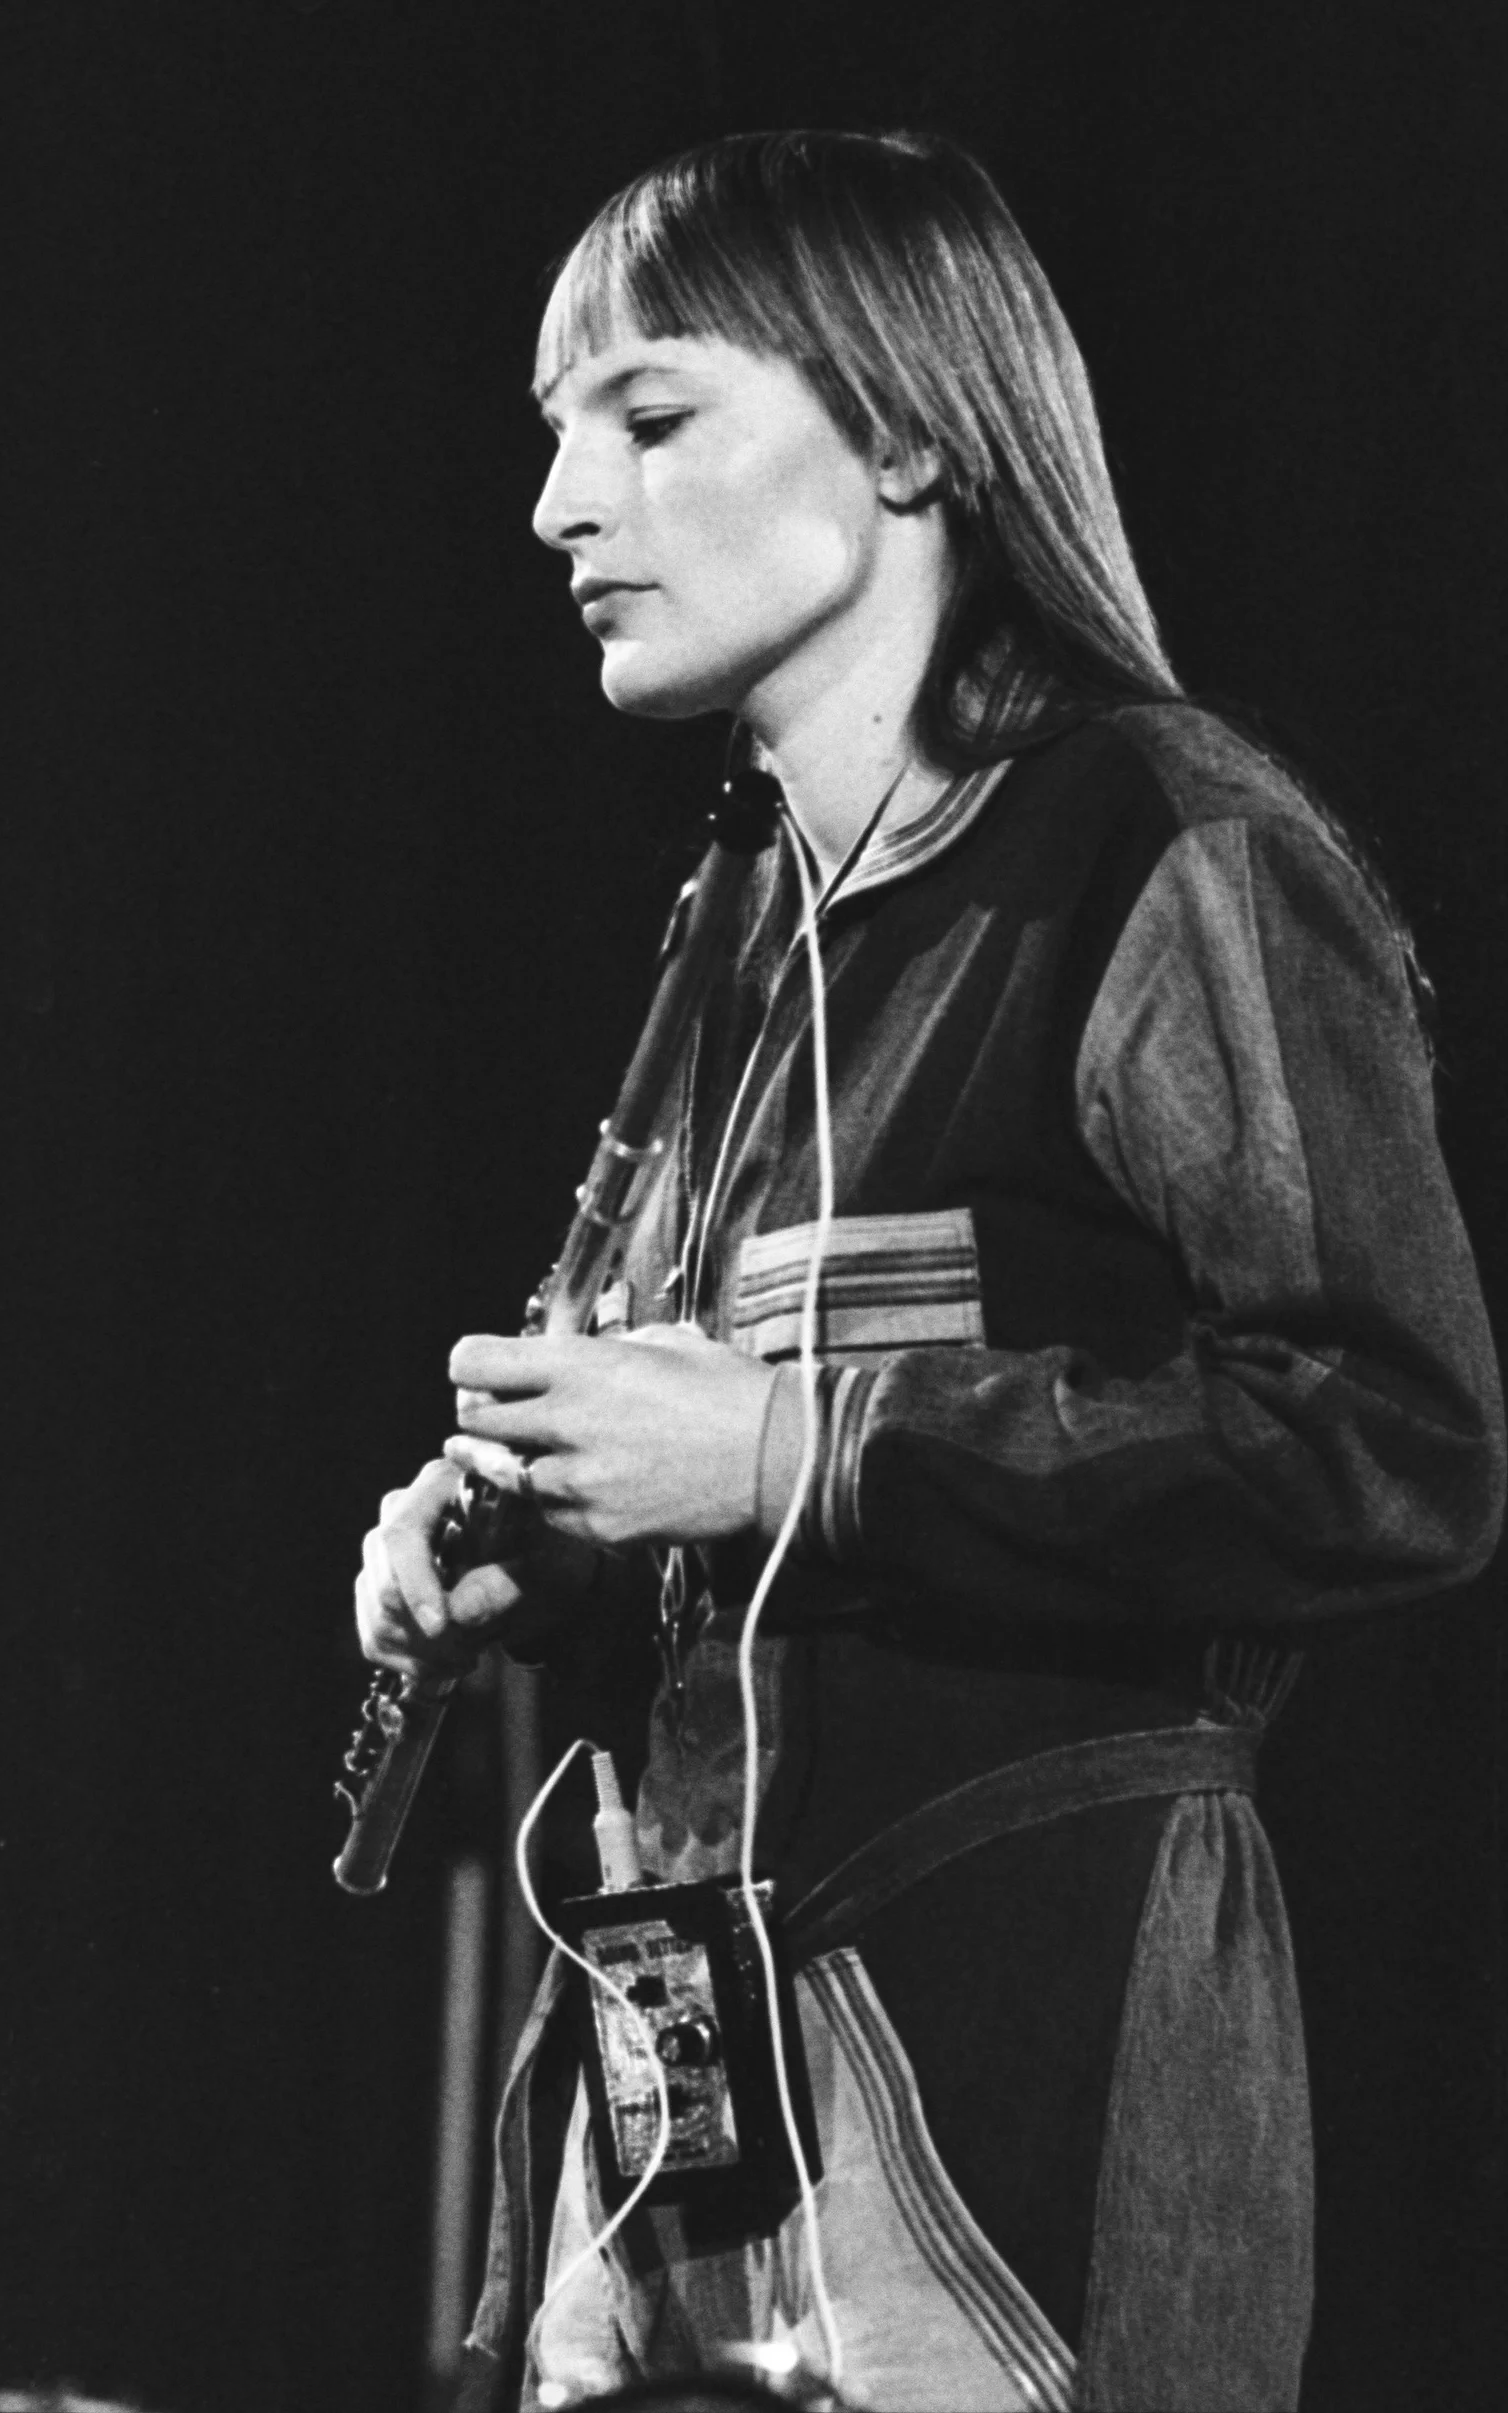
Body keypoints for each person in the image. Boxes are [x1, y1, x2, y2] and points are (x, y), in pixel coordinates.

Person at [355, 131, 1503, 2412]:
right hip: (665, 2118)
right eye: (556, 435)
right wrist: (560, 1550)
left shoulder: (1162, 842)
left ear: (904, 434)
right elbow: (754, 1552)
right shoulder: (730, 930)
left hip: (1008, 2096)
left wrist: (787, 1447)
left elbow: (1392, 1446)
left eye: (650, 417)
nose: (561, 506)